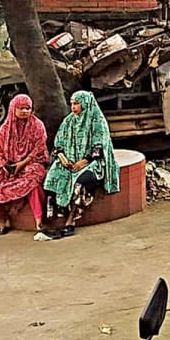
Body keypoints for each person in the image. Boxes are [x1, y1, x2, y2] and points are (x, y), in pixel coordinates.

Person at [43, 91, 120, 237]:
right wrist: (63, 158)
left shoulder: (97, 121)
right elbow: (58, 143)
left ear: (85, 103)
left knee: (80, 184)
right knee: (51, 178)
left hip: (91, 163)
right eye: (71, 103)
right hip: (68, 162)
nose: (73, 107)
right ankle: (57, 218)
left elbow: (99, 148)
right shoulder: (68, 121)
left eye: (76, 103)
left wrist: (82, 162)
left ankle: (71, 221)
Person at [0, 94, 48, 235]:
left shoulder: (37, 125)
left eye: (27, 108)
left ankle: (39, 220)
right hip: (10, 165)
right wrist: (4, 165)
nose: (25, 111)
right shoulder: (5, 129)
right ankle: (3, 221)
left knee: (32, 182)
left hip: (33, 162)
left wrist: (22, 163)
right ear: (13, 109)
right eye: (21, 108)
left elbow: (39, 148)